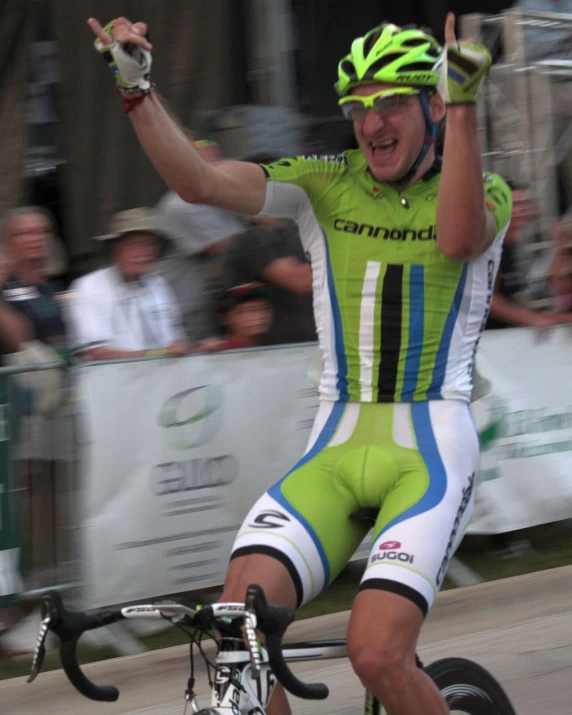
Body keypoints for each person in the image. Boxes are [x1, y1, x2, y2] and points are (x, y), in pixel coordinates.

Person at [88, 14, 508, 715]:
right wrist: (138, 91)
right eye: (359, 107)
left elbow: (459, 237)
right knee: (237, 626)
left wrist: (463, 102)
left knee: (376, 652)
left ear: (433, 106)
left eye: (393, 102)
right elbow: (197, 180)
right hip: (336, 443)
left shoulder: (482, 188)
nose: (371, 122)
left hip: (431, 450)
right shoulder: (326, 182)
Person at [0, 206, 71, 589]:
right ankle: (21, 591)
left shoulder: (46, 285)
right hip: (18, 411)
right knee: (23, 500)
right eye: (25, 233)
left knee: (52, 500)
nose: (35, 238)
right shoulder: (6, 282)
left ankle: (51, 583)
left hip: (53, 406)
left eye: (41, 231)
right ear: (10, 241)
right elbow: (18, 334)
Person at [67, 208, 191, 360]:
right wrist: (159, 353)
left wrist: (192, 347)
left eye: (148, 245)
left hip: (164, 377)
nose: (142, 253)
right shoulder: (89, 287)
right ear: (115, 249)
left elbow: (177, 339)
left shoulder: (159, 285)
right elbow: (97, 353)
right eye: (133, 244)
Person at [156, 140, 245, 341]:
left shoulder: (214, 198)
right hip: (185, 305)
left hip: (212, 301)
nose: (218, 168)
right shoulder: (181, 204)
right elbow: (225, 247)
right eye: (208, 164)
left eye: (217, 161)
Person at [486, 182, 572, 328]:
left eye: (525, 204)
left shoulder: (512, 248)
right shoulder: (489, 245)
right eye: (515, 205)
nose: (522, 211)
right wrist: (533, 319)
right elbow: (488, 300)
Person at [222, 213, 315, 345]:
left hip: (313, 341)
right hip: (272, 348)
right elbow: (298, 281)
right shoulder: (249, 240)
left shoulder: (297, 234)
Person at [515, 0, 572, 206]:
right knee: (539, 163)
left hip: (570, 85)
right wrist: (564, 37)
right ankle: (538, 228)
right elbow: (527, 49)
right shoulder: (527, 6)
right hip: (539, 88)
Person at [215, 282, 274, 350]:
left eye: (265, 308)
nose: (260, 315)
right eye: (247, 310)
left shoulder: (272, 347)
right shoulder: (219, 351)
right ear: (225, 318)